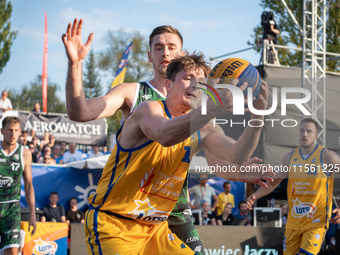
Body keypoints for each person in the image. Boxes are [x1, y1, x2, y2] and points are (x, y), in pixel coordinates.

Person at [62, 19, 271, 254]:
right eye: (158, 47)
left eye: (171, 47)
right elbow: (162, 133)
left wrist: (256, 120)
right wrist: (76, 64)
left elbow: (231, 157)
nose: (165, 52)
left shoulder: (203, 118)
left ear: (181, 53)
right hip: (120, 217)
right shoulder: (141, 100)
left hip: (165, 215)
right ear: (150, 56)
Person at [247, 118, 340, 255]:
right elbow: (273, 183)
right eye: (302, 131)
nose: (304, 134)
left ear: (316, 135)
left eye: (309, 131)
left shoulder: (328, 156)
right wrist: (255, 195)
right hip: (293, 222)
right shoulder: (289, 157)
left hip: (316, 221)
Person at [0, 116, 36, 255]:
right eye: (9, 130)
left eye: (16, 130)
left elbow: (28, 186)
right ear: (2, 131)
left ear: (20, 131)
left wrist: (32, 214)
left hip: (11, 208)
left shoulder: (25, 153)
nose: (13, 134)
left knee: (12, 252)